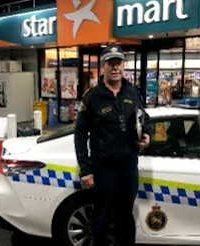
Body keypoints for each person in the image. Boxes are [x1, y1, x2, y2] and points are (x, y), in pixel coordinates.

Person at [74, 45, 151, 246]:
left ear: (123, 65)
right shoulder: (92, 97)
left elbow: (144, 118)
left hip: (128, 167)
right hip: (104, 168)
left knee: (125, 215)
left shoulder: (132, 92)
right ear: (103, 67)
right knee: (102, 216)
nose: (115, 67)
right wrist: (85, 169)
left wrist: (147, 135)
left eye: (119, 63)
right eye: (111, 63)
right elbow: (80, 134)